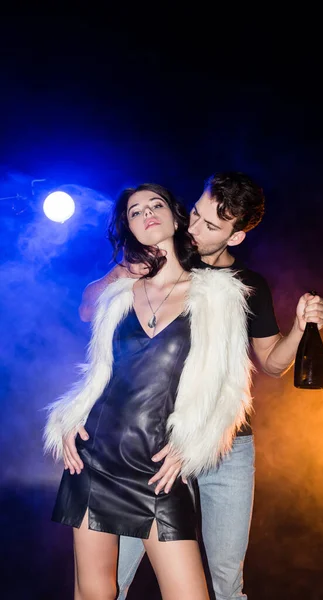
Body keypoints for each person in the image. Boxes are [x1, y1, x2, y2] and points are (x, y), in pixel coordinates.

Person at [76, 172, 323, 600]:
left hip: (225, 448)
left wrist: (301, 329)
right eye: (195, 213)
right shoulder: (162, 259)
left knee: (226, 583)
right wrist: (124, 267)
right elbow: (91, 311)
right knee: (112, 579)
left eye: (211, 226)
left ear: (236, 236)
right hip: (155, 445)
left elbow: (270, 363)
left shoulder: (246, 287)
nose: (194, 228)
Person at [43, 183, 256, 600]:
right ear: (131, 229)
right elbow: (98, 375)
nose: (147, 214)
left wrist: (192, 445)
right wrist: (70, 419)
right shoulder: (118, 296)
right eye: (136, 212)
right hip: (97, 457)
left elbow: (230, 391)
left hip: (158, 469)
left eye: (155, 204)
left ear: (177, 218)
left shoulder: (218, 295)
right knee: (95, 593)